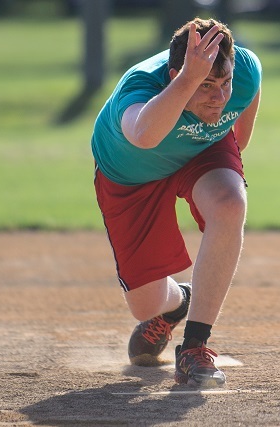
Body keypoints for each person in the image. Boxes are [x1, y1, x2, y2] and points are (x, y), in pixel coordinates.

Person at [89, 18, 262, 388]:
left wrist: (229, 144)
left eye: (224, 83)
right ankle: (175, 303)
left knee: (230, 203)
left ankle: (194, 347)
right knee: (145, 305)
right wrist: (187, 80)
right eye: (205, 85)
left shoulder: (243, 70)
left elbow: (248, 91)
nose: (218, 97)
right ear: (174, 76)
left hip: (200, 149)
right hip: (132, 172)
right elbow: (145, 136)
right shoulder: (138, 87)